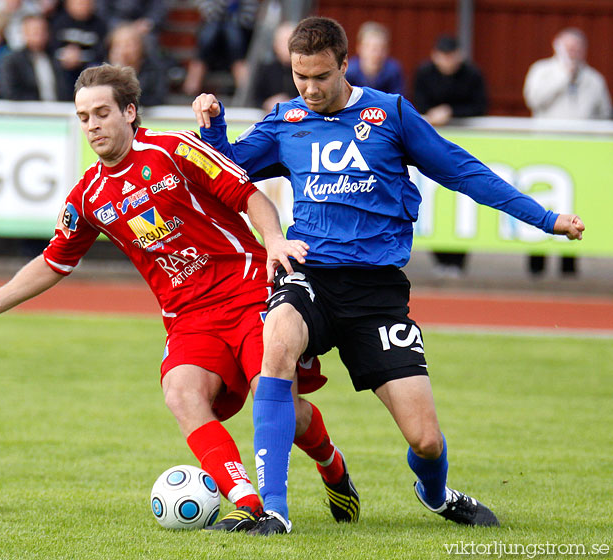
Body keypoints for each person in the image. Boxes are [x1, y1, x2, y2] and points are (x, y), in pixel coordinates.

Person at [192, 16, 585, 535]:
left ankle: (437, 492)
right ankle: (273, 512)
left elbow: (463, 171)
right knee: (277, 342)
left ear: (344, 65)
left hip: (377, 293)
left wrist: (546, 219)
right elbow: (226, 171)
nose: (309, 90)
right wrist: (213, 126)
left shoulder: (391, 114)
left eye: (321, 77)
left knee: (425, 440)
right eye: (299, 76)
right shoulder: (285, 122)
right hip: (310, 272)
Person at [0, 63, 357, 533]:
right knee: (181, 392)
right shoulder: (88, 196)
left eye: (101, 113)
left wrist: (274, 240)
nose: (92, 125)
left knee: (277, 401)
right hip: (189, 318)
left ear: (129, 111)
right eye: (83, 117)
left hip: (249, 291)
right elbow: (53, 262)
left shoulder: (174, 149)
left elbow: (248, 195)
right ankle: (246, 502)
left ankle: (332, 464)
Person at [523, 27, 610, 278]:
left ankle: (569, 266)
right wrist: (563, 78)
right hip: (545, 151)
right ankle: (536, 265)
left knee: (574, 205)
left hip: (579, 155)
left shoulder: (593, 79)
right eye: (569, 47)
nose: (574, 53)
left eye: (577, 48)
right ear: (556, 47)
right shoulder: (542, 71)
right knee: (540, 204)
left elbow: (603, 113)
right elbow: (534, 99)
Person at [413, 34, 488, 277]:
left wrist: (452, 112)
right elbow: (416, 104)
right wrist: (432, 116)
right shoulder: (424, 74)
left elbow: (480, 106)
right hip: (431, 146)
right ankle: (440, 258)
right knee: (433, 200)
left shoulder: (472, 75)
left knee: (464, 199)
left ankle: (458, 260)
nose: (447, 61)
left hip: (465, 146)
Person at [181, 0, 258, 96]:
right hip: (214, 34)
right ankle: (243, 83)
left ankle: (193, 80)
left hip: (239, 33)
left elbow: (249, 18)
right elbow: (209, 14)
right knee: (212, 31)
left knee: (231, 32)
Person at [0, 14, 72, 101]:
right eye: (35, 31)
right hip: (27, 111)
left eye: (43, 30)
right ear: (24, 33)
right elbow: (9, 92)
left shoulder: (56, 58)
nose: (40, 35)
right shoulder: (12, 61)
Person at [106, 21, 167, 106]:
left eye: (128, 45)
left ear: (140, 46)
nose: (123, 50)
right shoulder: (103, 72)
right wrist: (117, 71)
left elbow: (156, 98)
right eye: (118, 45)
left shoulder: (154, 69)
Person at [51, 0, 107, 87]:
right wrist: (65, 55)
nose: (82, 6)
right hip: (62, 68)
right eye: (78, 3)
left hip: (89, 69)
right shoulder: (58, 22)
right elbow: (52, 48)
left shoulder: (100, 25)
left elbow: (101, 53)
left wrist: (80, 57)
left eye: (86, 3)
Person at [345, 21, 403, 95]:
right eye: (373, 49)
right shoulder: (349, 73)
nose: (378, 54)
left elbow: (398, 101)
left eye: (382, 48)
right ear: (360, 48)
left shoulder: (394, 72)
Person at [252, 21, 297, 113]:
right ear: (275, 44)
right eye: (283, 42)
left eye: (290, 41)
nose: (287, 46)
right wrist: (267, 104)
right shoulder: (266, 69)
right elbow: (255, 99)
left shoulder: (305, 70)